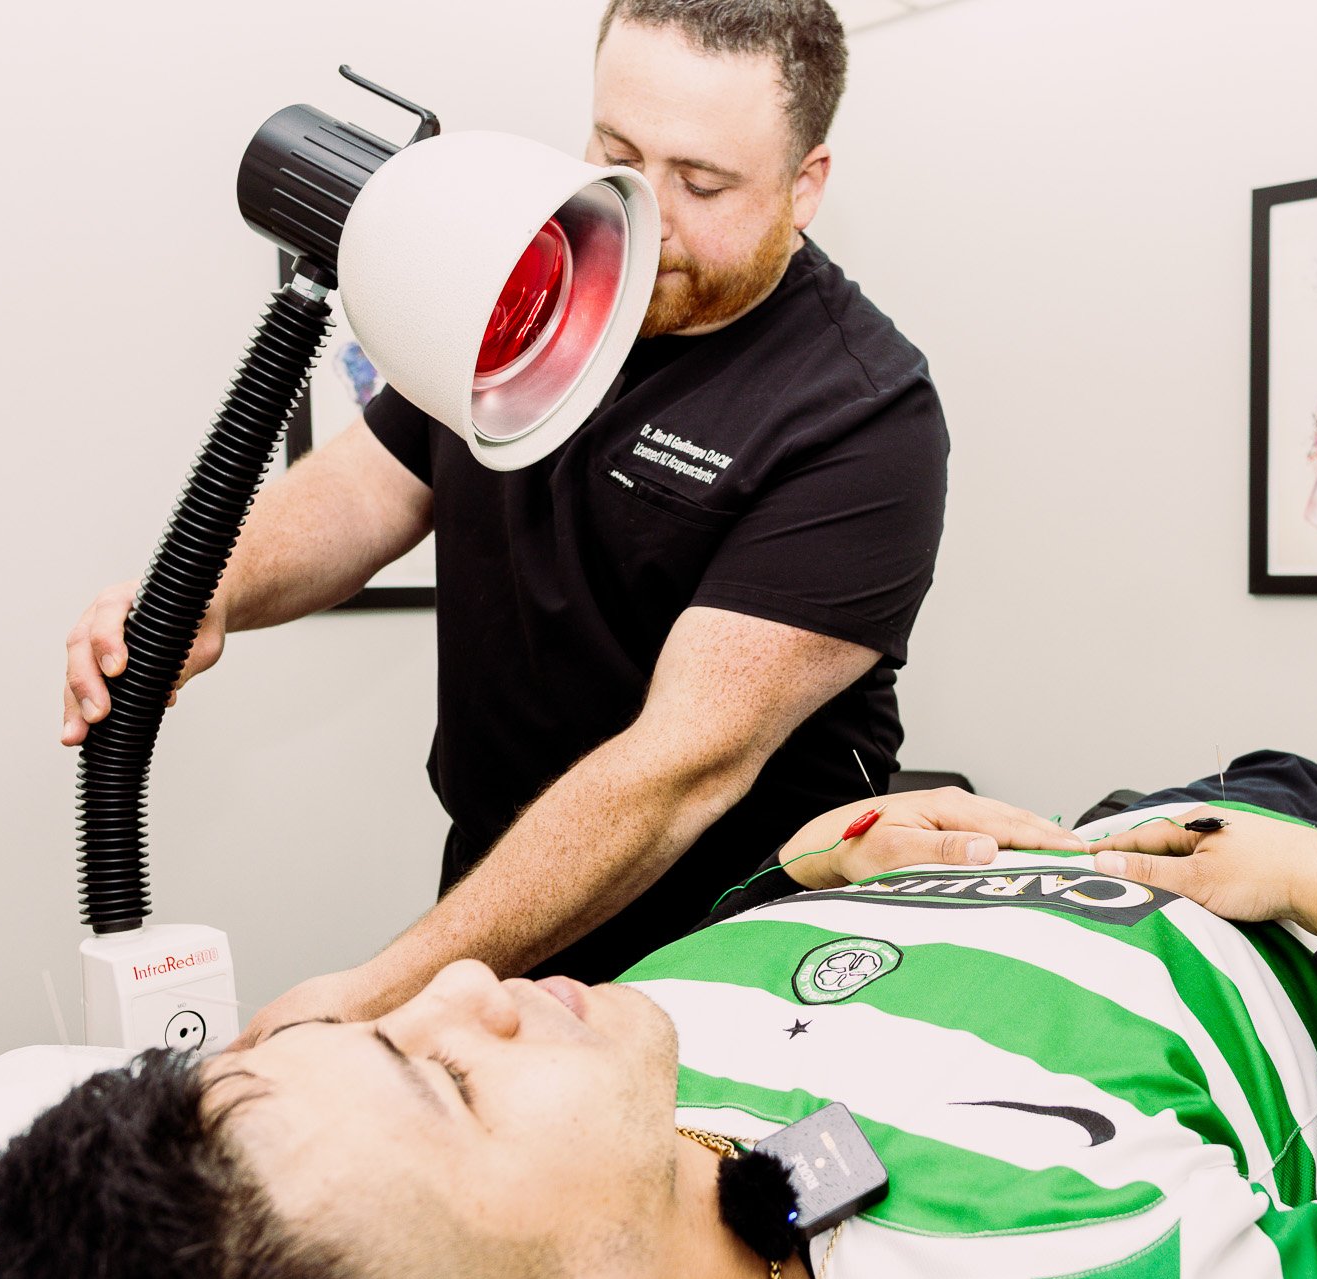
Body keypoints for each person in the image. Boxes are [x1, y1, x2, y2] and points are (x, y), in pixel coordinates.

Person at [0, 746, 1317, 1279]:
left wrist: (776, 873)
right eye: (440, 1073)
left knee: (1268, 757)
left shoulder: (575, 1160)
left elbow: (611, 1013)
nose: (468, 987)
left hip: (1088, 839)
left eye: (373, 1023)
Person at [59, 0, 951, 1034]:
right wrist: (205, 593)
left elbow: (677, 769)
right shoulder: (534, 277)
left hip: (739, 955)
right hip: (504, 905)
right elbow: (369, 485)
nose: (649, 211)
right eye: (617, 149)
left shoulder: (860, 417)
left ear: (805, 187)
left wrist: (371, 995)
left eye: (701, 182)